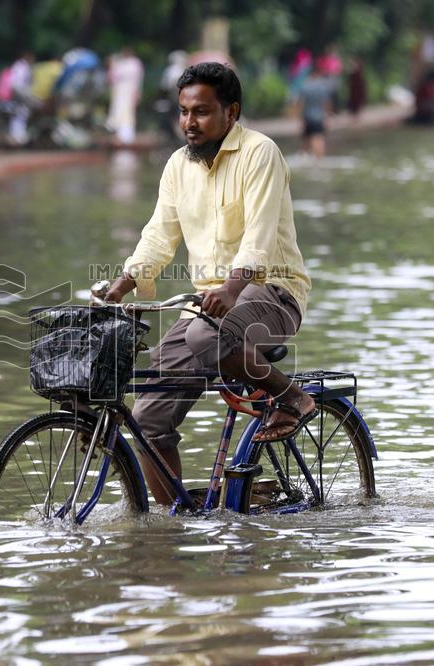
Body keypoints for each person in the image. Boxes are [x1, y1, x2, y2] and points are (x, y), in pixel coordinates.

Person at [104, 62, 313, 506]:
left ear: (231, 112)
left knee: (205, 332)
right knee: (147, 417)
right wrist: (122, 285)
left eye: (200, 112)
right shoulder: (178, 166)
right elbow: (159, 235)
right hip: (207, 306)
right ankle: (173, 522)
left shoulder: (260, 153)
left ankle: (292, 396)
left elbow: (258, 236)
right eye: (183, 112)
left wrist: (234, 288)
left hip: (272, 292)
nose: (188, 124)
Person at [106, 47, 144, 145]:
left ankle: (126, 136)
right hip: (121, 92)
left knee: (127, 113)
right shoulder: (126, 64)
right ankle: (121, 136)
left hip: (128, 91)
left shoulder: (131, 64)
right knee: (120, 112)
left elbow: (114, 76)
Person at [297, 65, 335, 158]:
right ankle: (320, 158)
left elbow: (300, 104)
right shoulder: (323, 87)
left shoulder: (305, 86)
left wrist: (300, 119)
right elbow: (327, 103)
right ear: (318, 73)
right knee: (319, 138)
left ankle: (308, 157)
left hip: (307, 117)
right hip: (319, 117)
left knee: (307, 140)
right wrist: (327, 117)